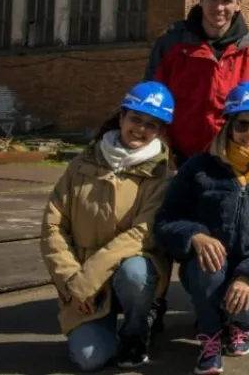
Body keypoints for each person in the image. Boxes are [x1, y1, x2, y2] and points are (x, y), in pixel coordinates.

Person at [155, 82, 249, 375]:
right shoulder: (199, 168)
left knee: (245, 307)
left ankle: (240, 325)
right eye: (242, 125)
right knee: (208, 266)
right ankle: (210, 338)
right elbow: (166, 219)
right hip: (208, 267)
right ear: (228, 127)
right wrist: (193, 234)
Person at [40, 82, 175, 371]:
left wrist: (89, 277)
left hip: (128, 271)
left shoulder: (162, 177)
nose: (140, 129)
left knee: (135, 273)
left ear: (160, 131)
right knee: (91, 359)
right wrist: (71, 281)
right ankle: (100, 326)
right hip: (81, 279)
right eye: (136, 119)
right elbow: (53, 226)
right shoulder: (80, 165)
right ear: (122, 117)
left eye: (151, 125)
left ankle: (137, 330)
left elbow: (141, 234)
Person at [145, 0, 249, 167]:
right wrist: (164, 151)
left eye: (227, 0)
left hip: (232, 159)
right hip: (178, 158)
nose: (219, 7)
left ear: (238, 4)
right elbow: (152, 101)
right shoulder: (171, 44)